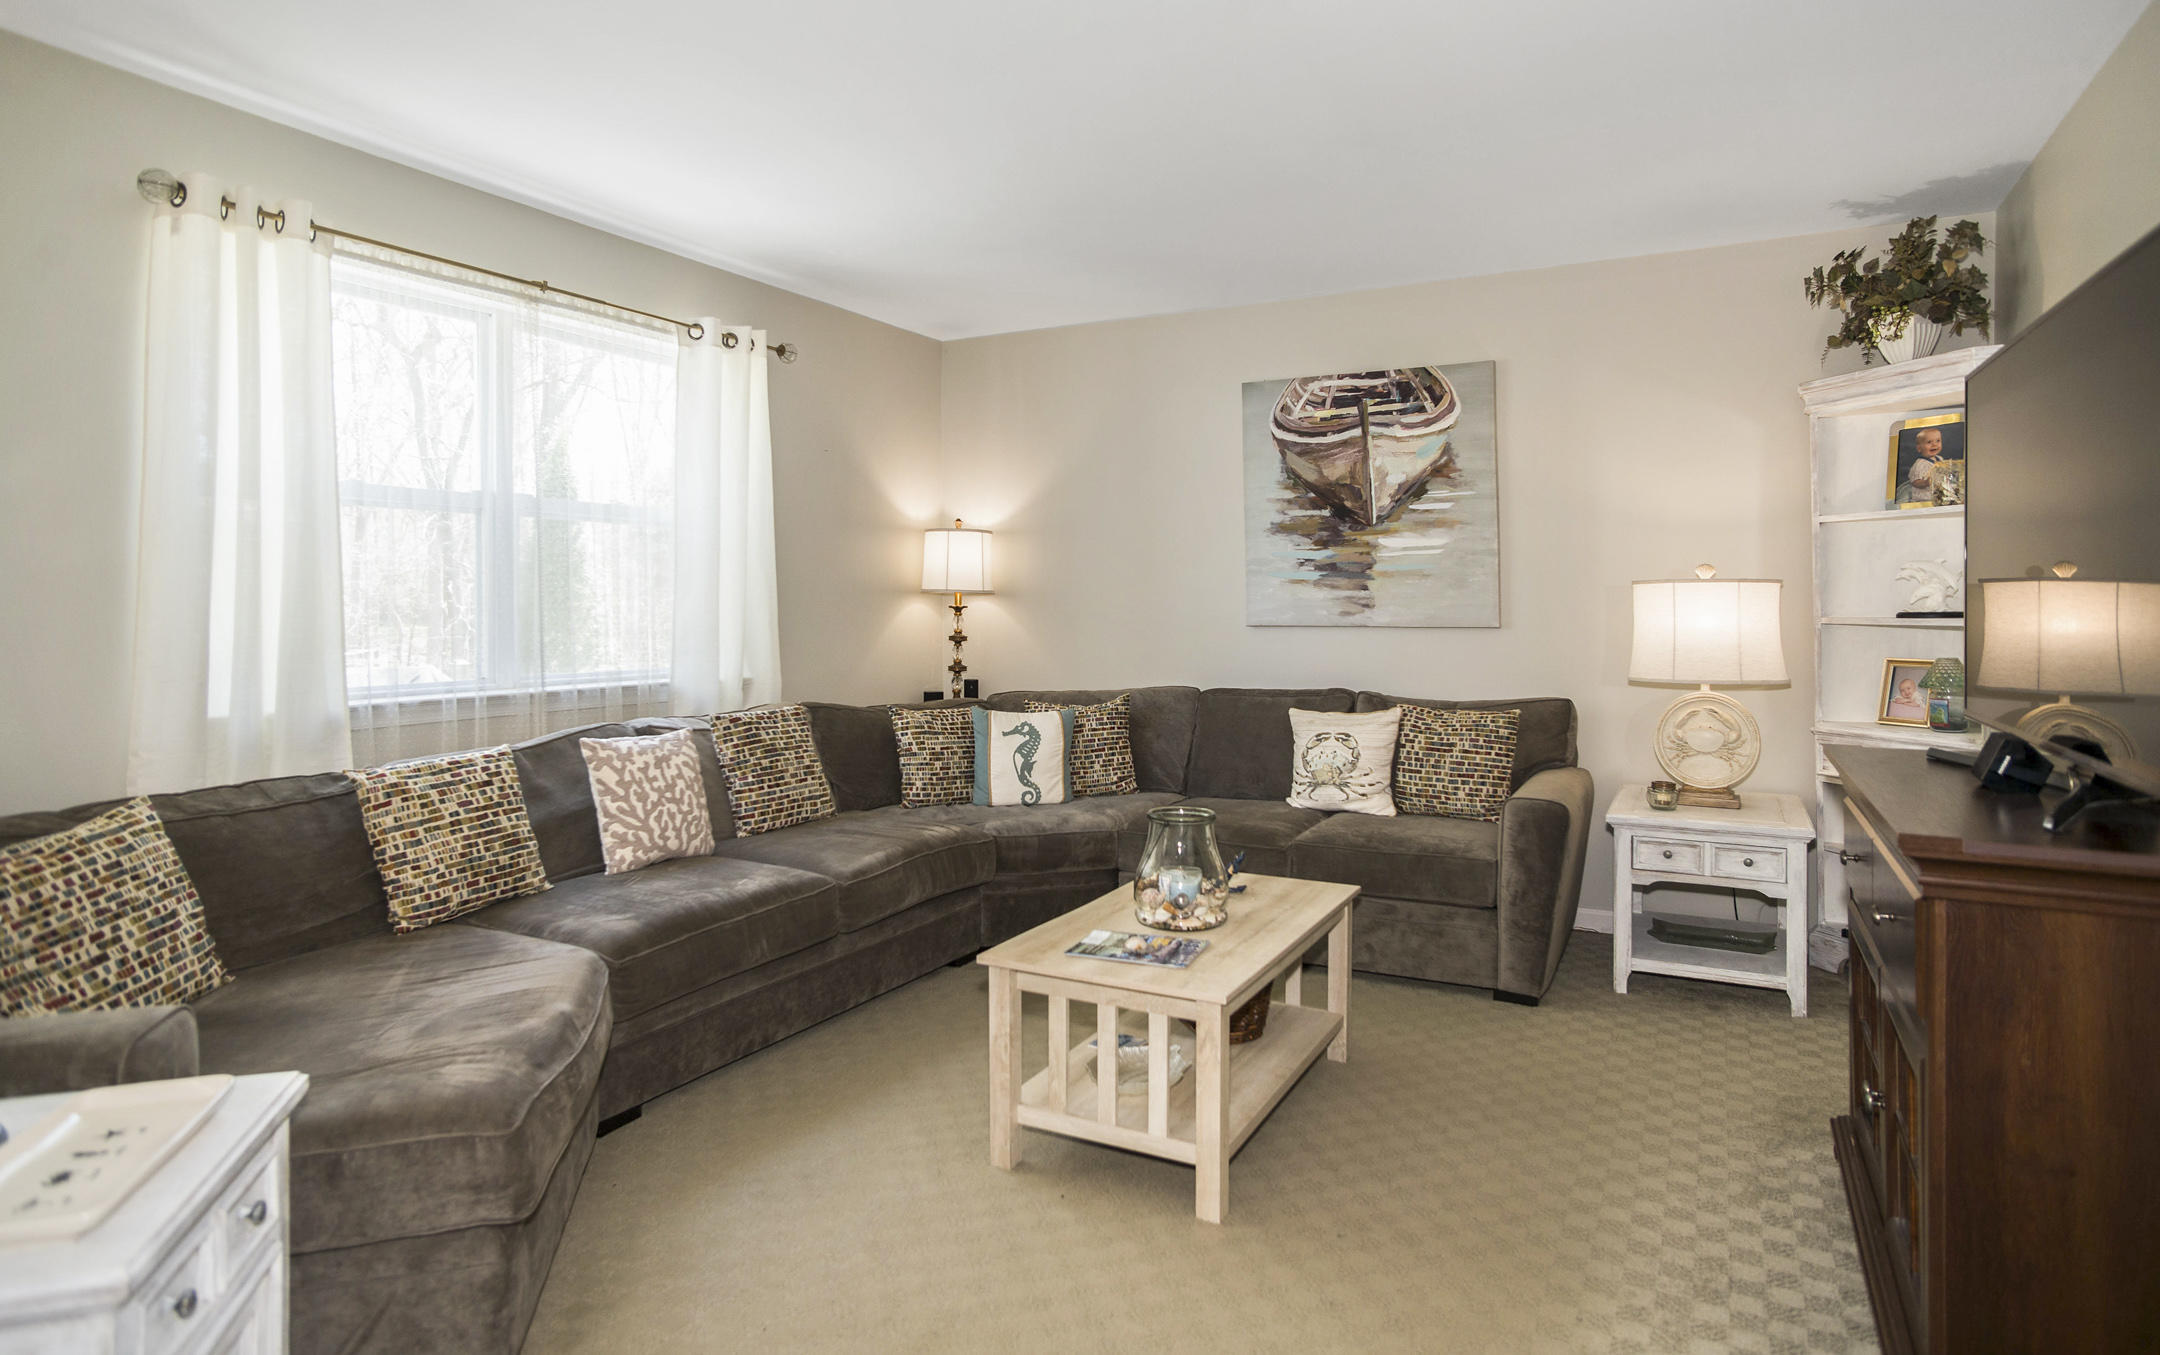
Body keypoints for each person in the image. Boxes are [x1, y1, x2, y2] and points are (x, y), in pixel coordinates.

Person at [1896, 426, 1947, 505]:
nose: (1934, 444)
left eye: (1938, 441)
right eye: (1929, 442)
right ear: (1919, 448)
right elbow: (1915, 482)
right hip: (1923, 500)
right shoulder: (1919, 464)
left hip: (1938, 496)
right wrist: (1926, 483)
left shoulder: (1940, 458)